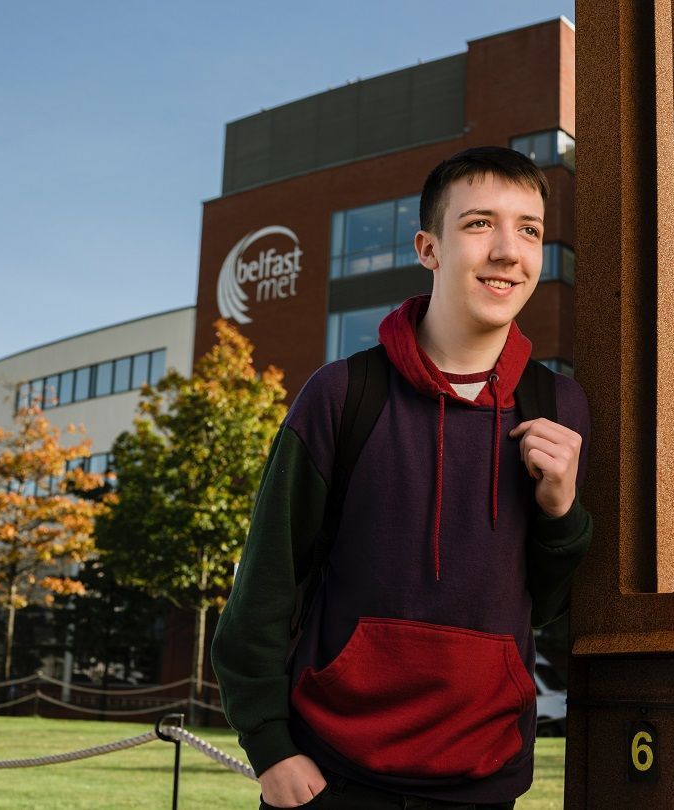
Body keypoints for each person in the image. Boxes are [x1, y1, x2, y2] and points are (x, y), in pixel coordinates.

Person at [211, 146, 592, 809]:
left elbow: (551, 607)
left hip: (482, 777)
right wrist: (270, 747)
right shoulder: (342, 394)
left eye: (529, 229)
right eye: (479, 223)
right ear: (428, 248)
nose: (508, 251)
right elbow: (266, 583)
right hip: (330, 775)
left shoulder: (558, 408)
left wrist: (562, 513)